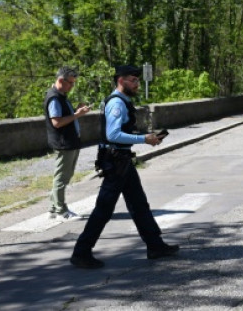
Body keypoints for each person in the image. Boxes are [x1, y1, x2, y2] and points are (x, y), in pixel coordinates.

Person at [70, 65, 179, 269]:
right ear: (121, 80)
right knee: (104, 209)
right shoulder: (117, 104)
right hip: (115, 161)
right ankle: (81, 252)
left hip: (121, 160)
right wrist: (143, 139)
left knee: (139, 204)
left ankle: (155, 246)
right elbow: (113, 135)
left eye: (138, 80)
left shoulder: (122, 101)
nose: (137, 83)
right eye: (133, 80)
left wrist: (146, 138)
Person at [44, 66, 92, 220]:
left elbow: (64, 117)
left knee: (64, 175)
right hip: (64, 143)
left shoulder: (61, 96)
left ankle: (53, 208)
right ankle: (61, 211)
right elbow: (57, 122)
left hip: (69, 142)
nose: (72, 86)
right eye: (70, 83)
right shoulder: (54, 98)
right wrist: (77, 115)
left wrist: (76, 112)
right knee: (61, 177)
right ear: (60, 80)